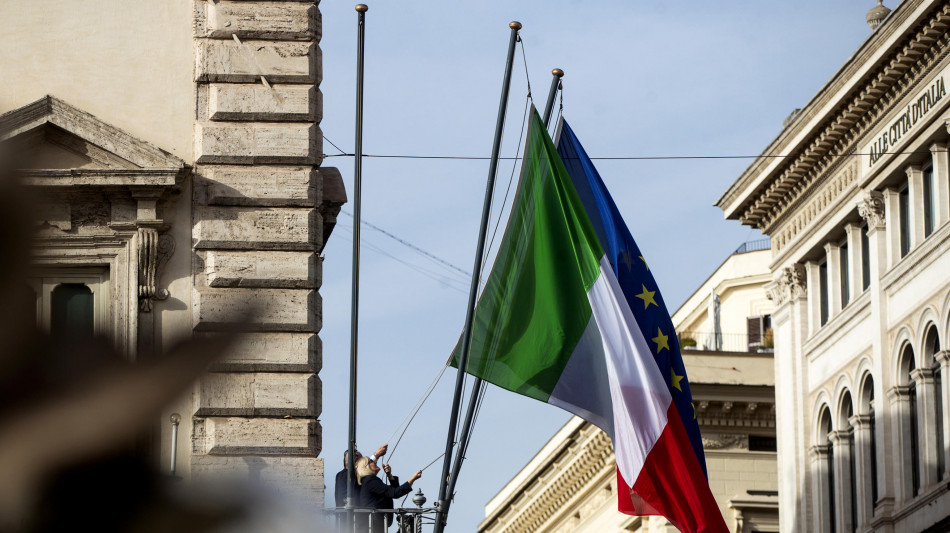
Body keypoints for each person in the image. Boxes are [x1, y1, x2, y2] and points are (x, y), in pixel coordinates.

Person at [356, 456, 421, 532]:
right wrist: (412, 479)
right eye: (371, 461)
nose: (375, 462)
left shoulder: (368, 481)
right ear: (365, 467)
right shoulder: (370, 481)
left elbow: (394, 491)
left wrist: (389, 475)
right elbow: (395, 493)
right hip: (374, 526)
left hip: (374, 525)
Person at [335, 444, 388, 508]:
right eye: (362, 462)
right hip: (355, 513)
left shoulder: (341, 476)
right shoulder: (348, 475)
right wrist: (376, 455)